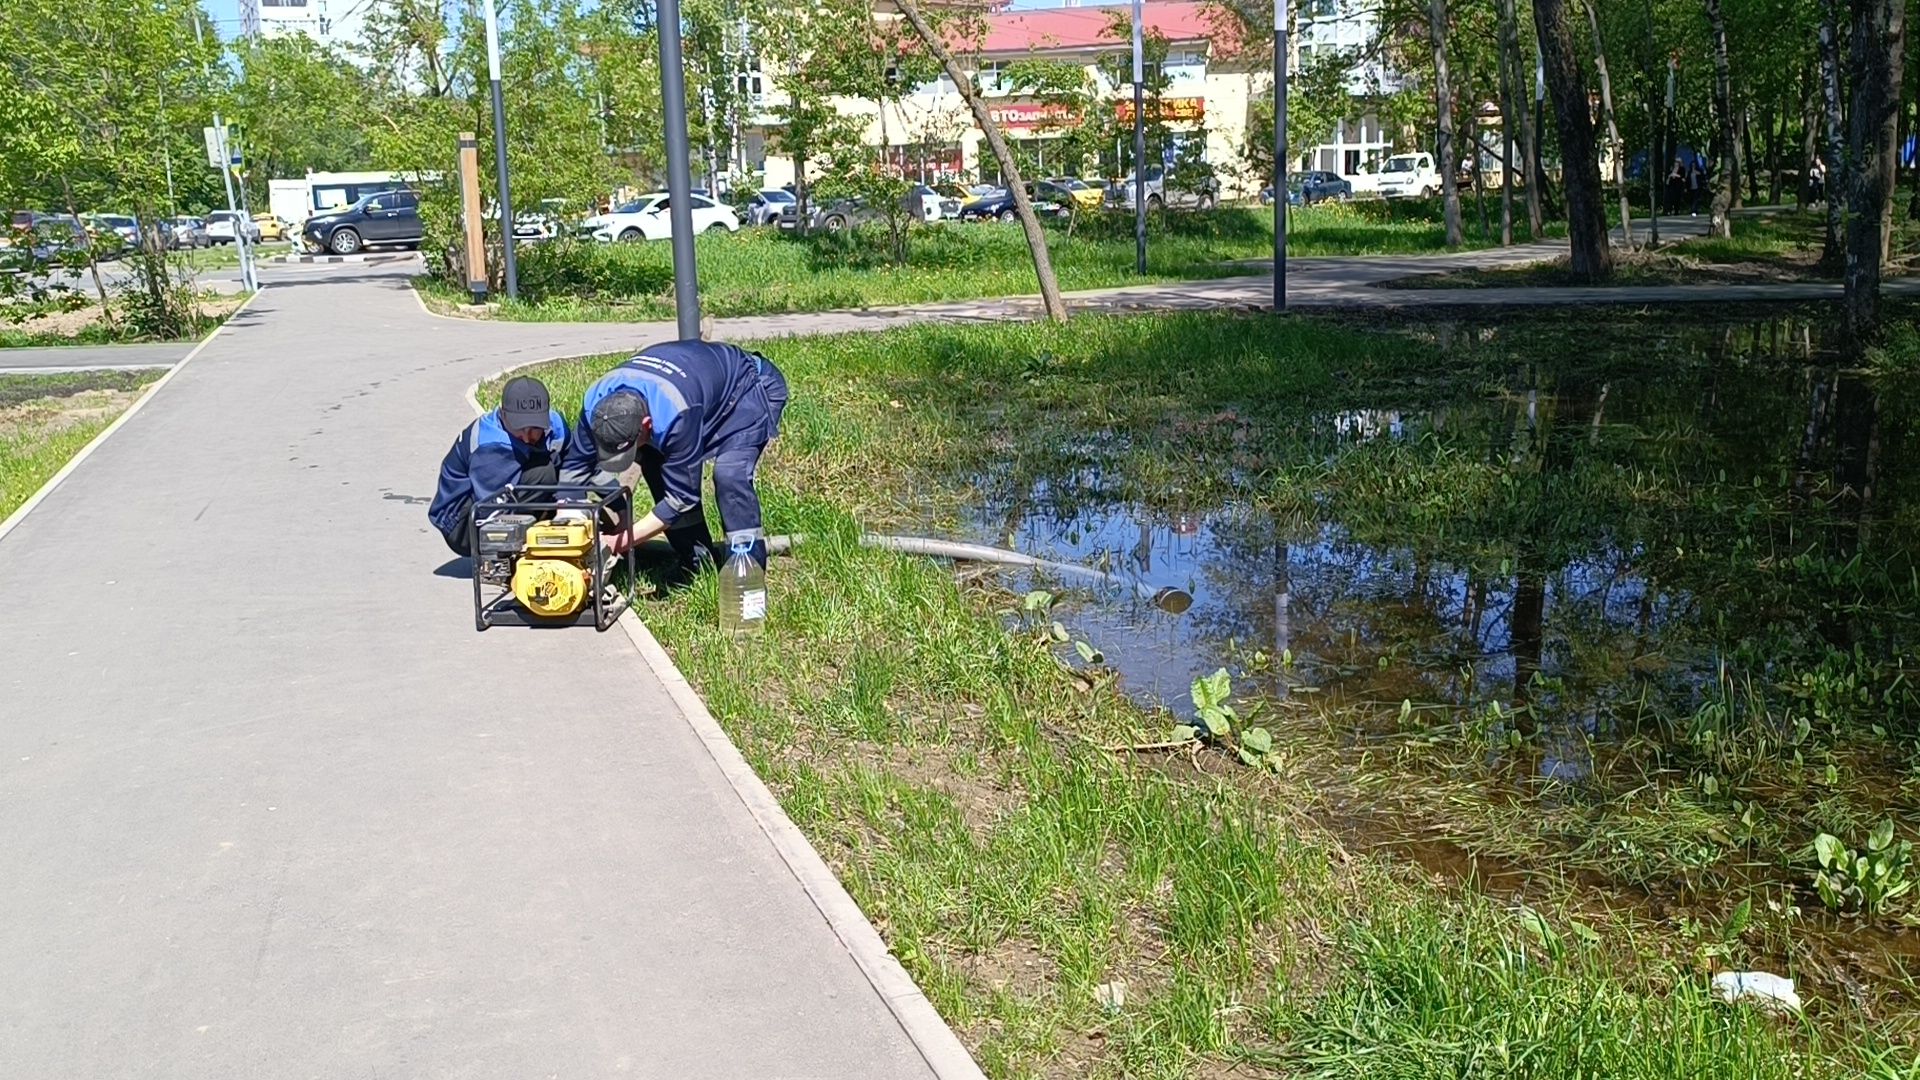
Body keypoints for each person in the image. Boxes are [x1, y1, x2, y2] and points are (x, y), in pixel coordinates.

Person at [561, 340, 788, 571]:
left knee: (730, 475)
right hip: (696, 387)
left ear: (646, 424)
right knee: (656, 464)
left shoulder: (676, 414)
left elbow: (680, 498)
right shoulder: (596, 407)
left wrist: (618, 542)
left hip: (748, 389)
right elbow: (574, 467)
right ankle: (698, 564)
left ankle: (747, 570)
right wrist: (568, 524)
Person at [428, 376, 569, 555]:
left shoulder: (556, 425)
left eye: (535, 428)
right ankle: (506, 553)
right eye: (519, 428)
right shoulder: (490, 447)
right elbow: (489, 510)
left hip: (499, 494)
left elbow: (574, 463)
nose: (527, 437)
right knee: (543, 474)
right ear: (503, 415)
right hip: (460, 521)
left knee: (553, 474)